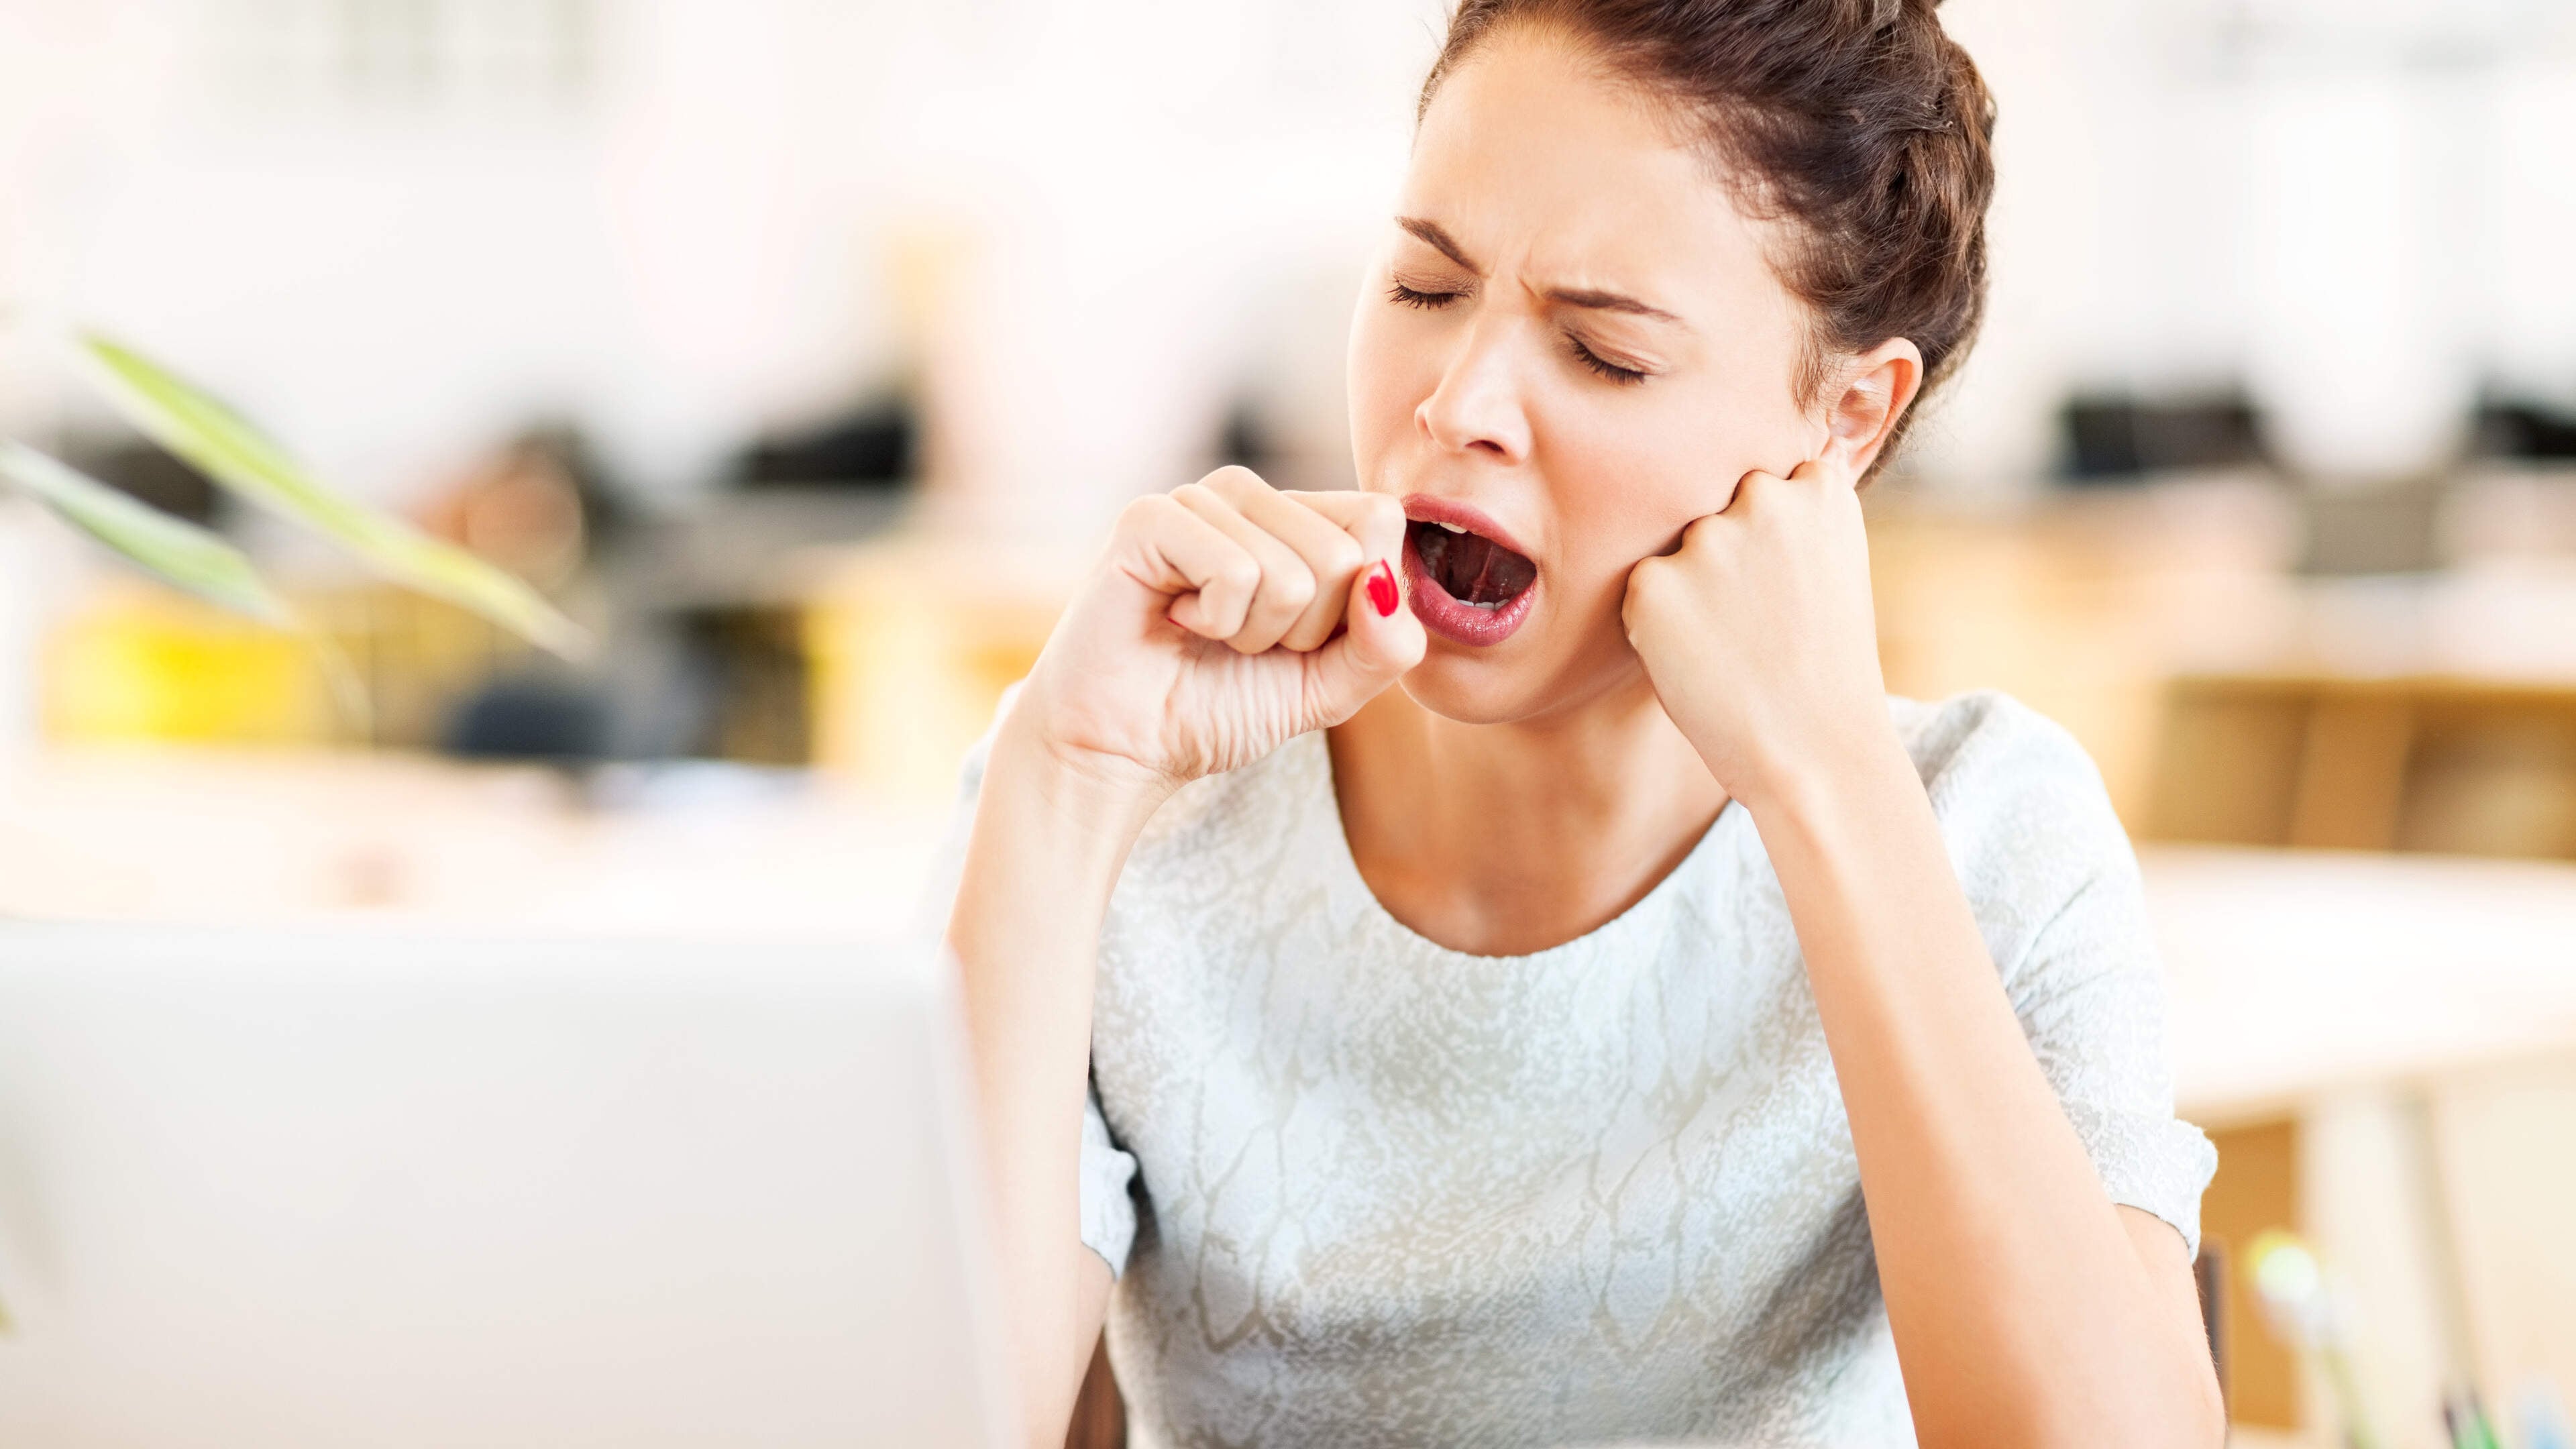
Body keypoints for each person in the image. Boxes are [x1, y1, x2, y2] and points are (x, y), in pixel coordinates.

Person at [941, 1, 2222, 1444]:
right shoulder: (1117, 810)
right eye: (1425, 288)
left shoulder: (1987, 828)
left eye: (1604, 352)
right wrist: (1067, 777)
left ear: (1846, 421)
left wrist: (1828, 785)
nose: (1459, 403)